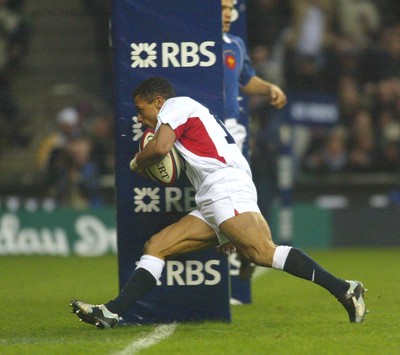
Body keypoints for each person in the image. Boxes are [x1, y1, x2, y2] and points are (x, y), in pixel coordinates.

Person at [71, 77, 367, 328]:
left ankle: (344, 289)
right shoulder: (185, 116)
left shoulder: (177, 106)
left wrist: (137, 162)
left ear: (159, 102)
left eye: (140, 110)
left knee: (262, 252)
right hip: (215, 195)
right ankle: (112, 312)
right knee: (156, 246)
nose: (138, 118)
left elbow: (160, 149)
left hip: (225, 187)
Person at [222, 0, 286, 282]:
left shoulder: (234, 44)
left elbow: (245, 81)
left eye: (230, 8)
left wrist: (268, 87)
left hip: (230, 134)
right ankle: (247, 247)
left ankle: (249, 247)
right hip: (197, 133)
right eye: (222, 8)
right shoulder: (191, 48)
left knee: (238, 191)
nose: (228, 14)